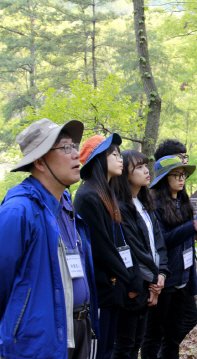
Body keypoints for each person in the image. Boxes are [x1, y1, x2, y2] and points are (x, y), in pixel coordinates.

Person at [0, 119, 99, 359]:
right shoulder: (18, 211)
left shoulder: (65, 204)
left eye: (74, 146)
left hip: (80, 326)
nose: (76, 154)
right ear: (39, 162)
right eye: (66, 148)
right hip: (39, 339)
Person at [75, 134, 142, 359]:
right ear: (98, 159)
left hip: (116, 287)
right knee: (99, 351)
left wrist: (133, 275)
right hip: (102, 289)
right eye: (113, 154)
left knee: (111, 348)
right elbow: (101, 246)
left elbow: (120, 241)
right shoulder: (87, 196)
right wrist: (129, 277)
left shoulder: (108, 194)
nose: (120, 158)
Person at [111, 150, 169, 359]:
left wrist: (161, 274)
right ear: (125, 173)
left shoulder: (145, 203)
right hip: (133, 285)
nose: (146, 171)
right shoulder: (120, 206)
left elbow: (158, 244)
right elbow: (135, 249)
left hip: (150, 283)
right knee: (125, 346)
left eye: (146, 166)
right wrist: (154, 280)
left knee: (137, 342)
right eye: (139, 167)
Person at [141, 156, 197, 359]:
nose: (181, 179)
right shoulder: (154, 206)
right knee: (153, 335)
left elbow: (188, 248)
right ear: (165, 178)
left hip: (182, 281)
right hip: (163, 281)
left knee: (174, 336)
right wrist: (188, 228)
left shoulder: (182, 204)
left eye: (183, 175)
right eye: (176, 174)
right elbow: (160, 242)